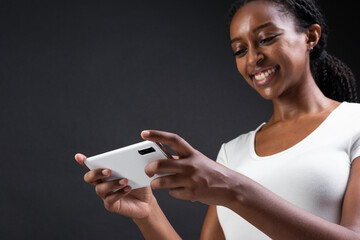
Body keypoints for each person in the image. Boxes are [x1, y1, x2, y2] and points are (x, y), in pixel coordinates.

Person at [75, 0, 360, 239]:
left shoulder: (353, 123)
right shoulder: (231, 154)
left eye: (267, 38)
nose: (254, 58)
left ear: (311, 36)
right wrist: (147, 213)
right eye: (240, 50)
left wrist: (233, 189)